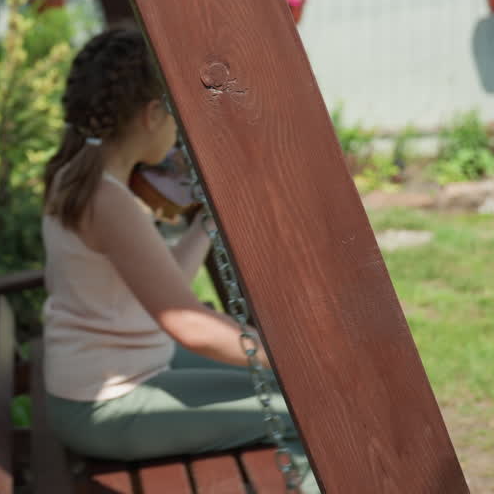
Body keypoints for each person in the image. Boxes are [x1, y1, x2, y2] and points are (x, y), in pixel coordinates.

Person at [40, 27, 317, 493]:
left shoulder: (79, 176)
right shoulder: (111, 202)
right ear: (152, 114)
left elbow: (166, 286)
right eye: (173, 115)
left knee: (282, 385)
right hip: (106, 406)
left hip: (106, 378)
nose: (176, 131)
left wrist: (205, 221)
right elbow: (188, 325)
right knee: (309, 411)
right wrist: (294, 359)